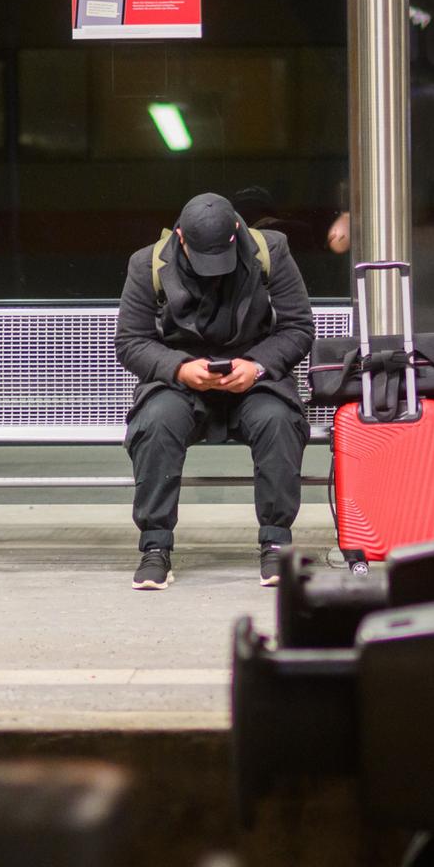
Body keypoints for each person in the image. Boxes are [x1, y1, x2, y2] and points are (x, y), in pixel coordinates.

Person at [116, 193, 315, 589]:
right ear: (181, 239)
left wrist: (257, 365)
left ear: (236, 231)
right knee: (156, 422)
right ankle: (155, 546)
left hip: (254, 377)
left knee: (277, 421)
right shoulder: (146, 263)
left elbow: (298, 328)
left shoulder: (270, 252)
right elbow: (131, 341)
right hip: (181, 380)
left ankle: (276, 545)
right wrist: (180, 368)